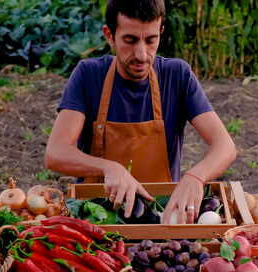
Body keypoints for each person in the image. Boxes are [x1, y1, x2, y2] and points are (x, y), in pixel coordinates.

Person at [44, 0, 236, 224]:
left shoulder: (177, 75)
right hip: (97, 220)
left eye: (151, 40)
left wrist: (195, 176)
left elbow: (225, 146)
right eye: (130, 40)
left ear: (161, 31)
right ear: (109, 35)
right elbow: (55, 153)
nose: (142, 54)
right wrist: (109, 168)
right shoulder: (88, 75)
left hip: (163, 217)